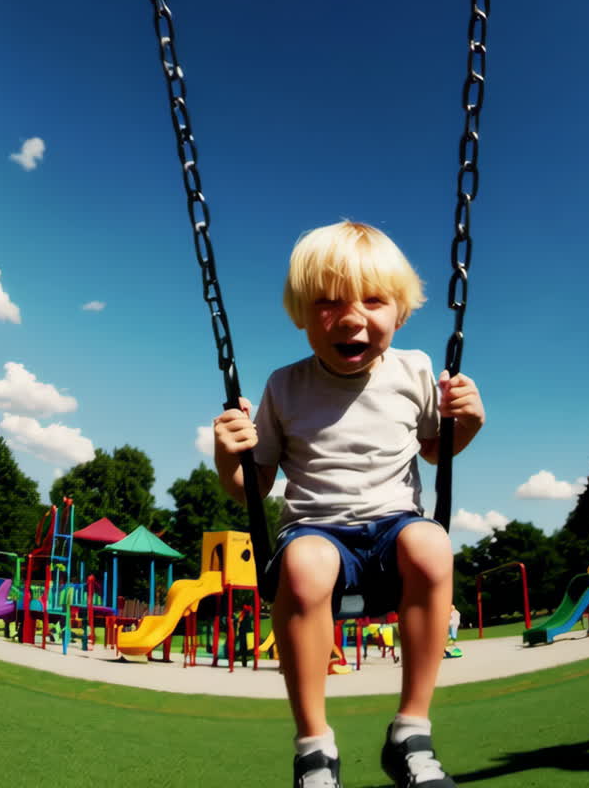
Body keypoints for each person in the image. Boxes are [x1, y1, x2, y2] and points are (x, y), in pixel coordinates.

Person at [214, 220, 485, 788]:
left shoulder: (413, 371)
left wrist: (469, 424)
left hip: (394, 527)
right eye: (328, 302)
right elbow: (253, 486)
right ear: (301, 314)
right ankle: (314, 747)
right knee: (306, 566)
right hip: (316, 532)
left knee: (433, 545)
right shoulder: (284, 386)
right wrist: (228, 457)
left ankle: (411, 730)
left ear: (401, 312)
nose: (352, 317)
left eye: (373, 300)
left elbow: (438, 452)